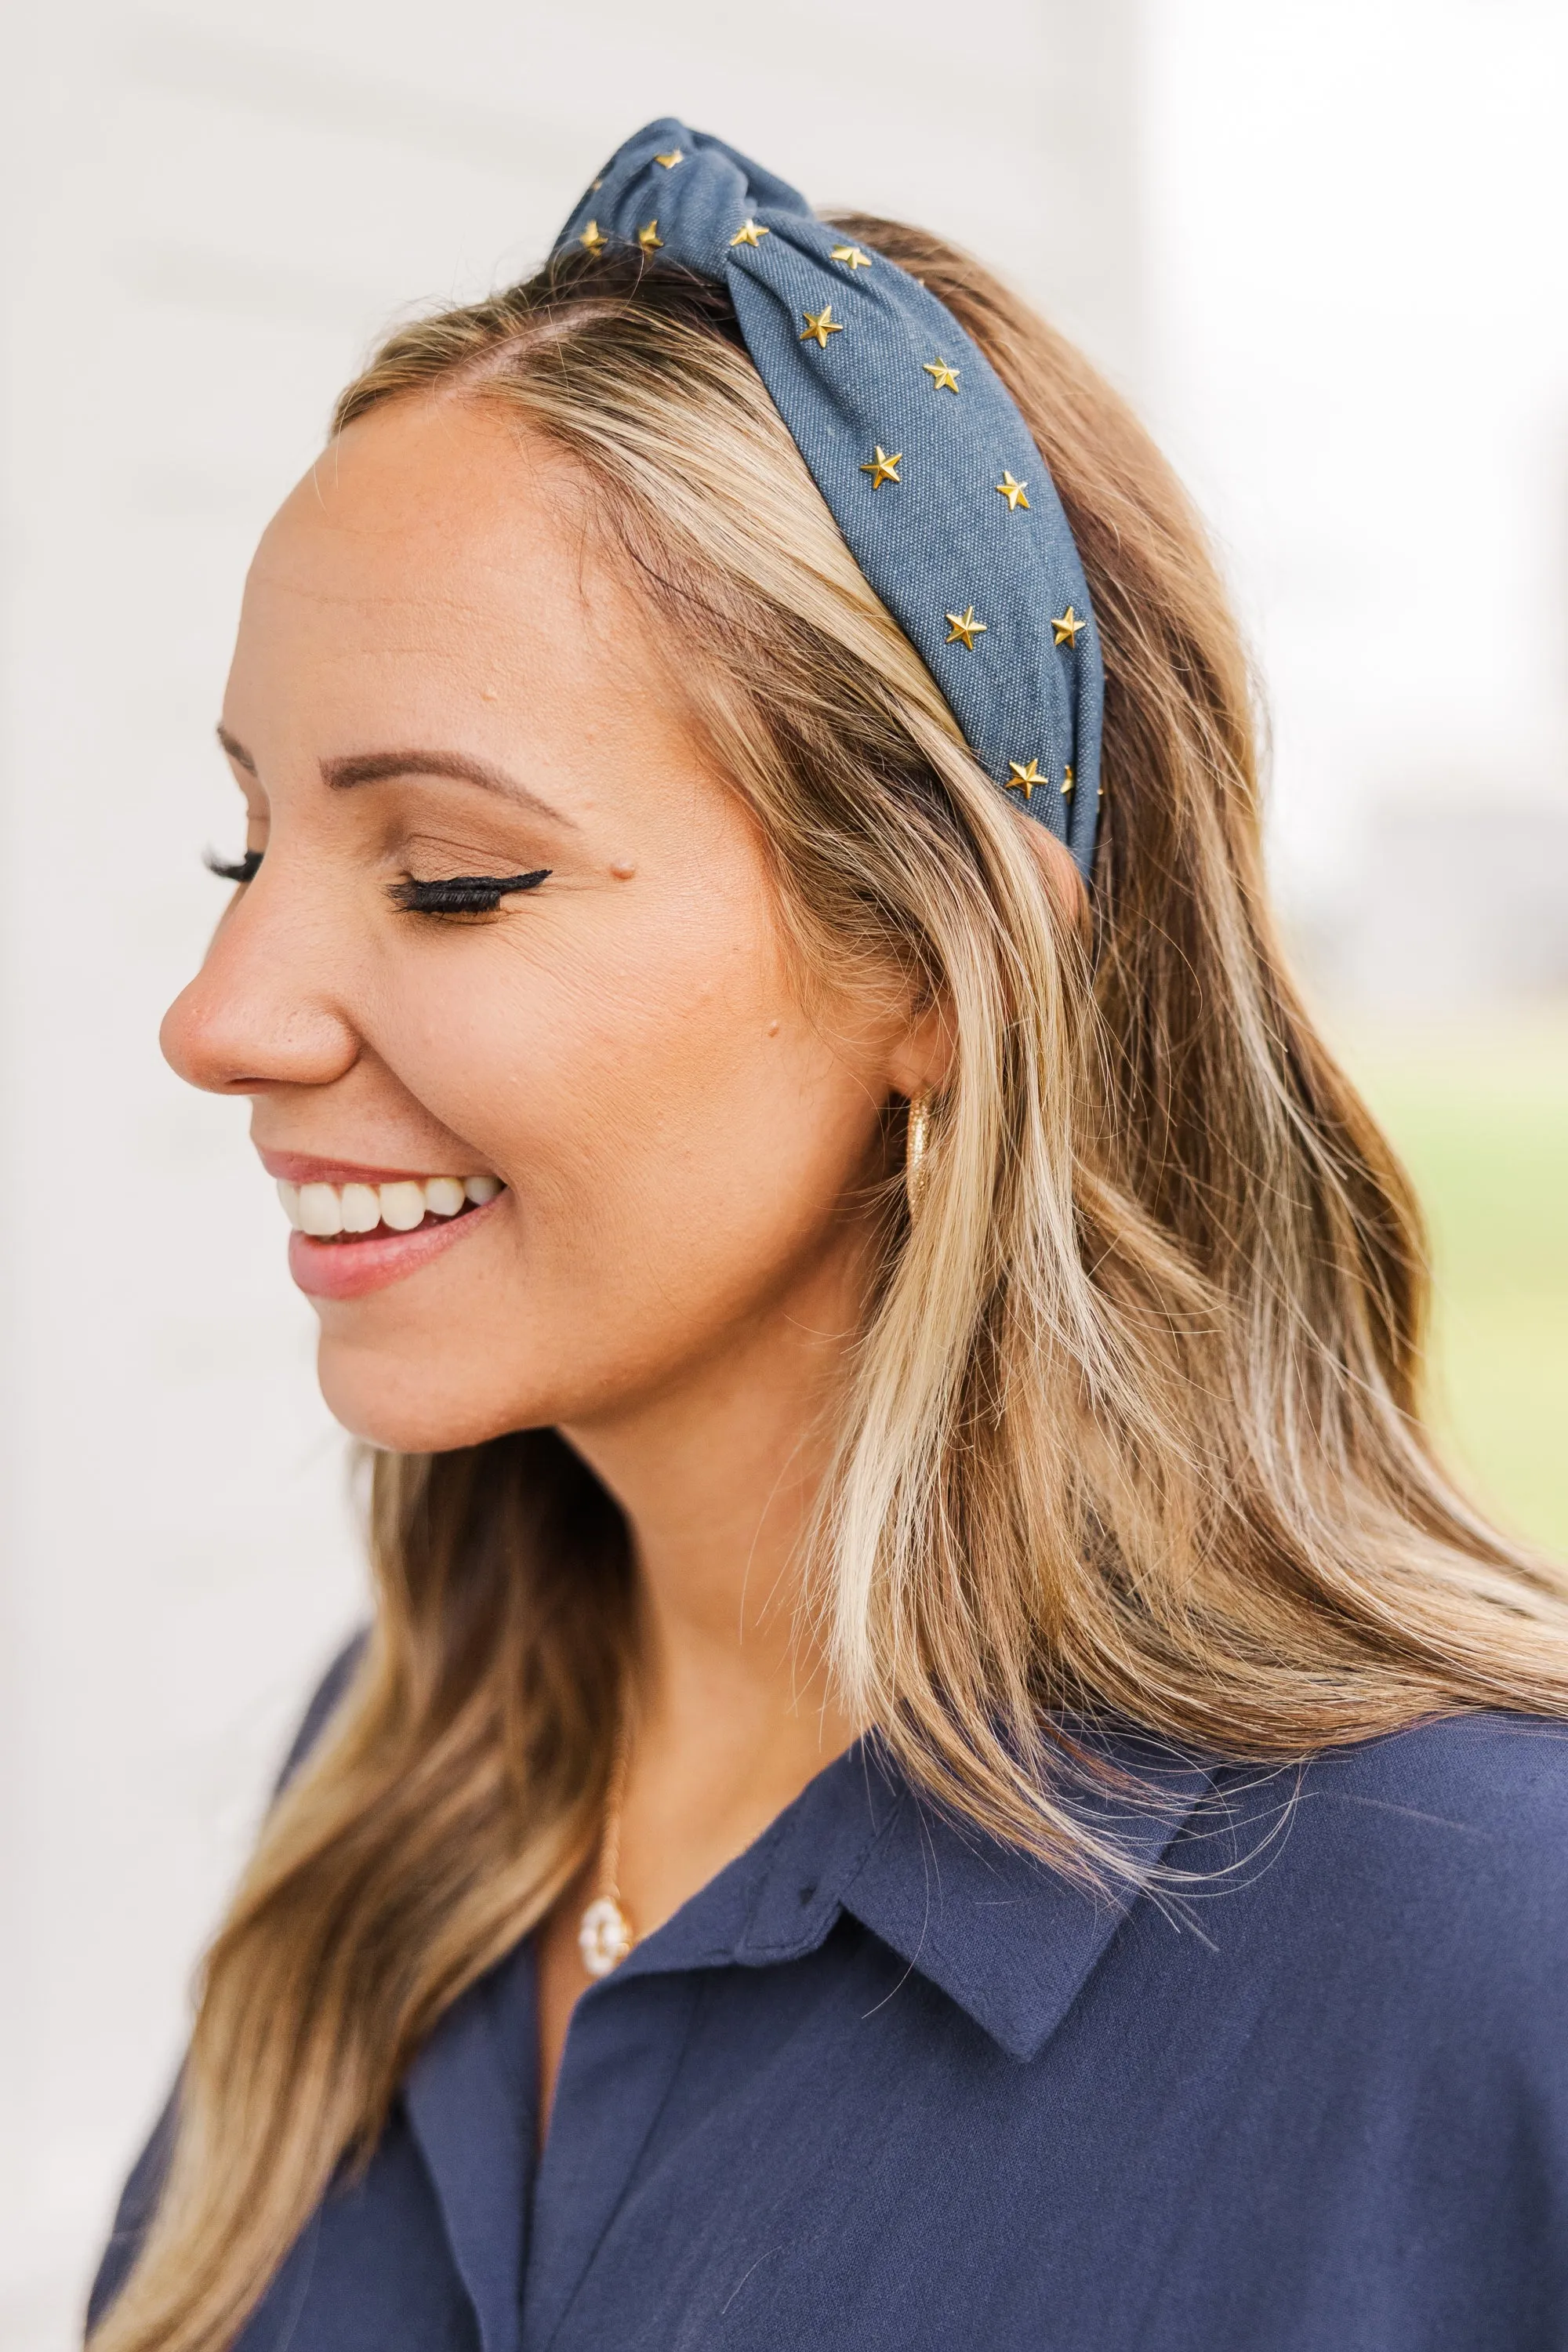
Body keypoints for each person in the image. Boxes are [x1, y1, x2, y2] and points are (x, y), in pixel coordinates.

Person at [89, 120, 1568, 2352]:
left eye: (450, 876)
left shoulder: (1487, 1948)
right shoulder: (393, 1789)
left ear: (937, 970)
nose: (219, 1021)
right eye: (247, 852)